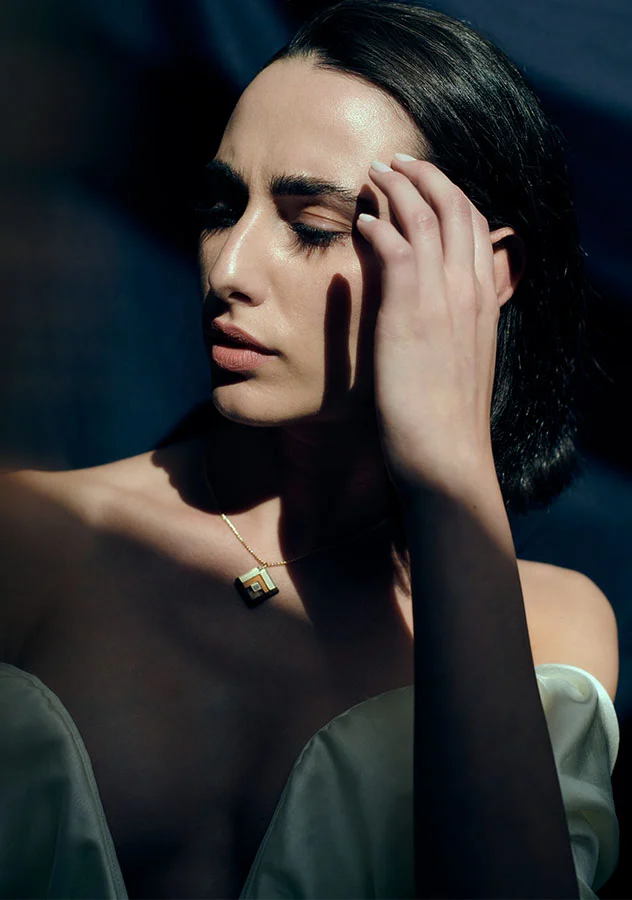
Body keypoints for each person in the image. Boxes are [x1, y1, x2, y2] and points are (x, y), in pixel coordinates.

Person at [0, 0, 620, 898]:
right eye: (222, 205)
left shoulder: (555, 630)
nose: (229, 268)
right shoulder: (36, 538)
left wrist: (449, 474)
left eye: (314, 224)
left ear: (485, 274)